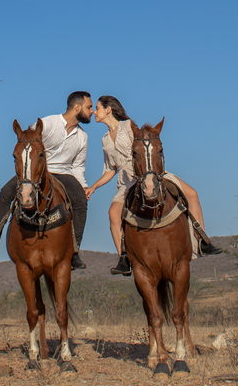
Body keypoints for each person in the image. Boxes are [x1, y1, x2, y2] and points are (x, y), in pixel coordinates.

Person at [84, 95, 223, 276]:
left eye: (97, 107)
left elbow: (146, 148)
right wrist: (94, 187)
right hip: (125, 183)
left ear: (108, 109)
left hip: (146, 174)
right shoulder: (104, 139)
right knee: (113, 213)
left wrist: (147, 170)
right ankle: (123, 258)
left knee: (192, 194)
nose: (94, 111)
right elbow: (110, 169)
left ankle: (203, 242)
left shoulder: (129, 127)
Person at [0, 91, 92, 270]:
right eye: (89, 107)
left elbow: (78, 166)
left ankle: (74, 251)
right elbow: (28, 140)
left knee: (80, 200)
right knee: (6, 192)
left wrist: (83, 186)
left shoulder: (83, 137)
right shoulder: (49, 123)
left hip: (65, 174)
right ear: (77, 107)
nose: (92, 111)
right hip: (39, 171)